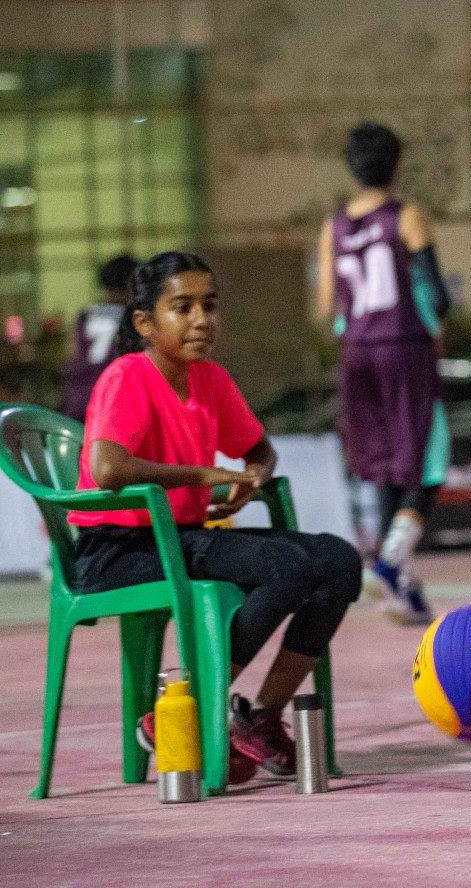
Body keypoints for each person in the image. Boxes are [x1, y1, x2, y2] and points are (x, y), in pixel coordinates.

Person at [69, 252, 362, 782]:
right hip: (119, 550)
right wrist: (205, 477)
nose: (202, 320)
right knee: (284, 566)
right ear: (145, 322)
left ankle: (260, 718)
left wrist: (252, 479)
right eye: (182, 308)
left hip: (182, 537)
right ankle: (187, 710)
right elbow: (107, 468)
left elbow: (260, 450)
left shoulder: (210, 379)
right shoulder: (128, 376)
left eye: (209, 306)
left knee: (338, 561)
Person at [316, 123, 452, 626]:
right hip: (403, 348)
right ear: (397, 165)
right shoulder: (406, 216)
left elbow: (327, 306)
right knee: (429, 459)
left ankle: (405, 585)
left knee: (383, 463)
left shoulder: (332, 228)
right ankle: (391, 564)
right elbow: (438, 294)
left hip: (355, 353)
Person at [60, 254, 136, 422]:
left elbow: (71, 357)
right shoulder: (132, 318)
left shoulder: (83, 317)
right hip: (111, 406)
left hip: (78, 404)